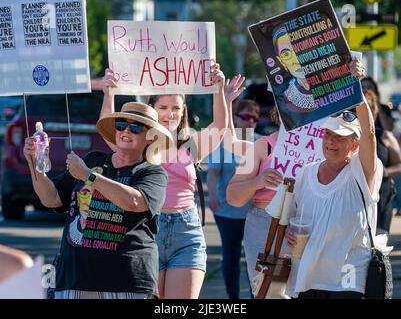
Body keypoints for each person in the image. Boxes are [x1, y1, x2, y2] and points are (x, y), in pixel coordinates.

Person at [101, 64, 228, 299]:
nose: (170, 114)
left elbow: (219, 127)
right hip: (147, 229)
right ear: (151, 109)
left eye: (176, 108)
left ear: (183, 111)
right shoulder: (138, 146)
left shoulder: (191, 146)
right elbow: (109, 130)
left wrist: (218, 88)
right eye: (163, 107)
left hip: (187, 230)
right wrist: (109, 93)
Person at [23, 102, 173, 299]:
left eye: (135, 127)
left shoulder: (152, 172)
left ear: (150, 137)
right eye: (121, 125)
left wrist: (88, 175)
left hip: (127, 282)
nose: (126, 130)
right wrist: (35, 163)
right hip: (75, 278)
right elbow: (51, 198)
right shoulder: (94, 160)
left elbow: (135, 202)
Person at [284, 60, 383, 299]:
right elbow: (294, 217)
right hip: (309, 274)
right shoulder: (306, 173)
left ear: (355, 144)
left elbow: (369, 133)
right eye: (328, 134)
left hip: (349, 276)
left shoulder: (363, 171)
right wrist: (288, 229)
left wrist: (355, 86)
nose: (331, 141)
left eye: (340, 137)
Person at [207, 75, 261, 299]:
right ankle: (233, 298)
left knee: (253, 259)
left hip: (253, 213)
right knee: (230, 256)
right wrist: (212, 197)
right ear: (236, 118)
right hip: (227, 211)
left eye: (254, 118)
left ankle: (253, 296)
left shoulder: (260, 142)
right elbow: (213, 172)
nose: (249, 121)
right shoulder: (225, 144)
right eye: (245, 116)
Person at [226, 100, 284, 294]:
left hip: (307, 225)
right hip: (265, 226)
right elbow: (233, 197)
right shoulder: (263, 146)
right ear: (279, 112)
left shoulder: (324, 145)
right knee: (269, 293)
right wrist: (259, 181)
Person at [363, 87, 401, 234]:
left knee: (379, 244)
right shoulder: (348, 136)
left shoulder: (384, 136)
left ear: (374, 111)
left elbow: (399, 164)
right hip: (358, 195)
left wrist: (382, 171)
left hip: (381, 197)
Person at [272, 25, 316, 114]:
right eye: (286, 54)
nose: (296, 61)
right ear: (282, 62)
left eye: (299, 49)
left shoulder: (337, 84)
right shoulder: (286, 98)